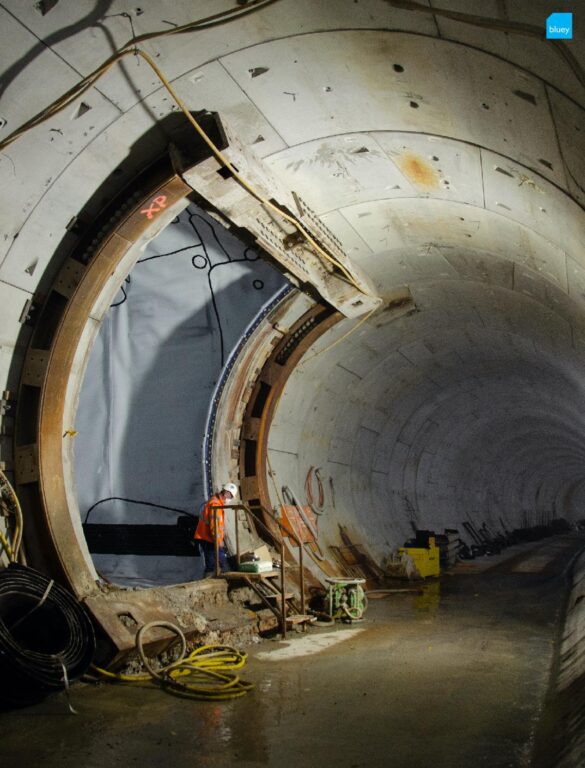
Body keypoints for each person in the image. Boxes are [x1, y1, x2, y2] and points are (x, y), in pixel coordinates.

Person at [194, 482, 238, 576]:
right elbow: (215, 526)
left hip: (208, 537)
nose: (230, 499)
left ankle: (212, 580)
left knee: (215, 562)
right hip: (208, 538)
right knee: (216, 562)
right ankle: (210, 582)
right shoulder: (215, 505)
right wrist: (218, 541)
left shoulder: (215, 502)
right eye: (230, 496)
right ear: (226, 493)